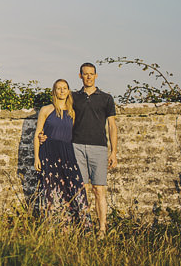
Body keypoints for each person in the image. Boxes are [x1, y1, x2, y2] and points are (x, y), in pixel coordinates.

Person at [33, 79, 91, 226]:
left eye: (65, 88)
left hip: (67, 152)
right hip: (49, 151)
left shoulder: (72, 110)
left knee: (74, 186)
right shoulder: (46, 110)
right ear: (54, 91)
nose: (62, 91)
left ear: (68, 91)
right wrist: (36, 158)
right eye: (59, 88)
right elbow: (37, 134)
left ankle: (79, 223)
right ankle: (55, 225)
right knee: (51, 188)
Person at [71, 62, 118, 236]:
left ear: (96, 76)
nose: (89, 76)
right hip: (77, 146)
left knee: (99, 189)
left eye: (91, 74)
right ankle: (85, 226)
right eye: (85, 74)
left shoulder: (106, 98)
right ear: (80, 76)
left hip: (99, 147)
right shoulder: (74, 97)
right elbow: (64, 118)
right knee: (80, 189)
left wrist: (113, 152)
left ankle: (102, 229)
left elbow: (112, 126)